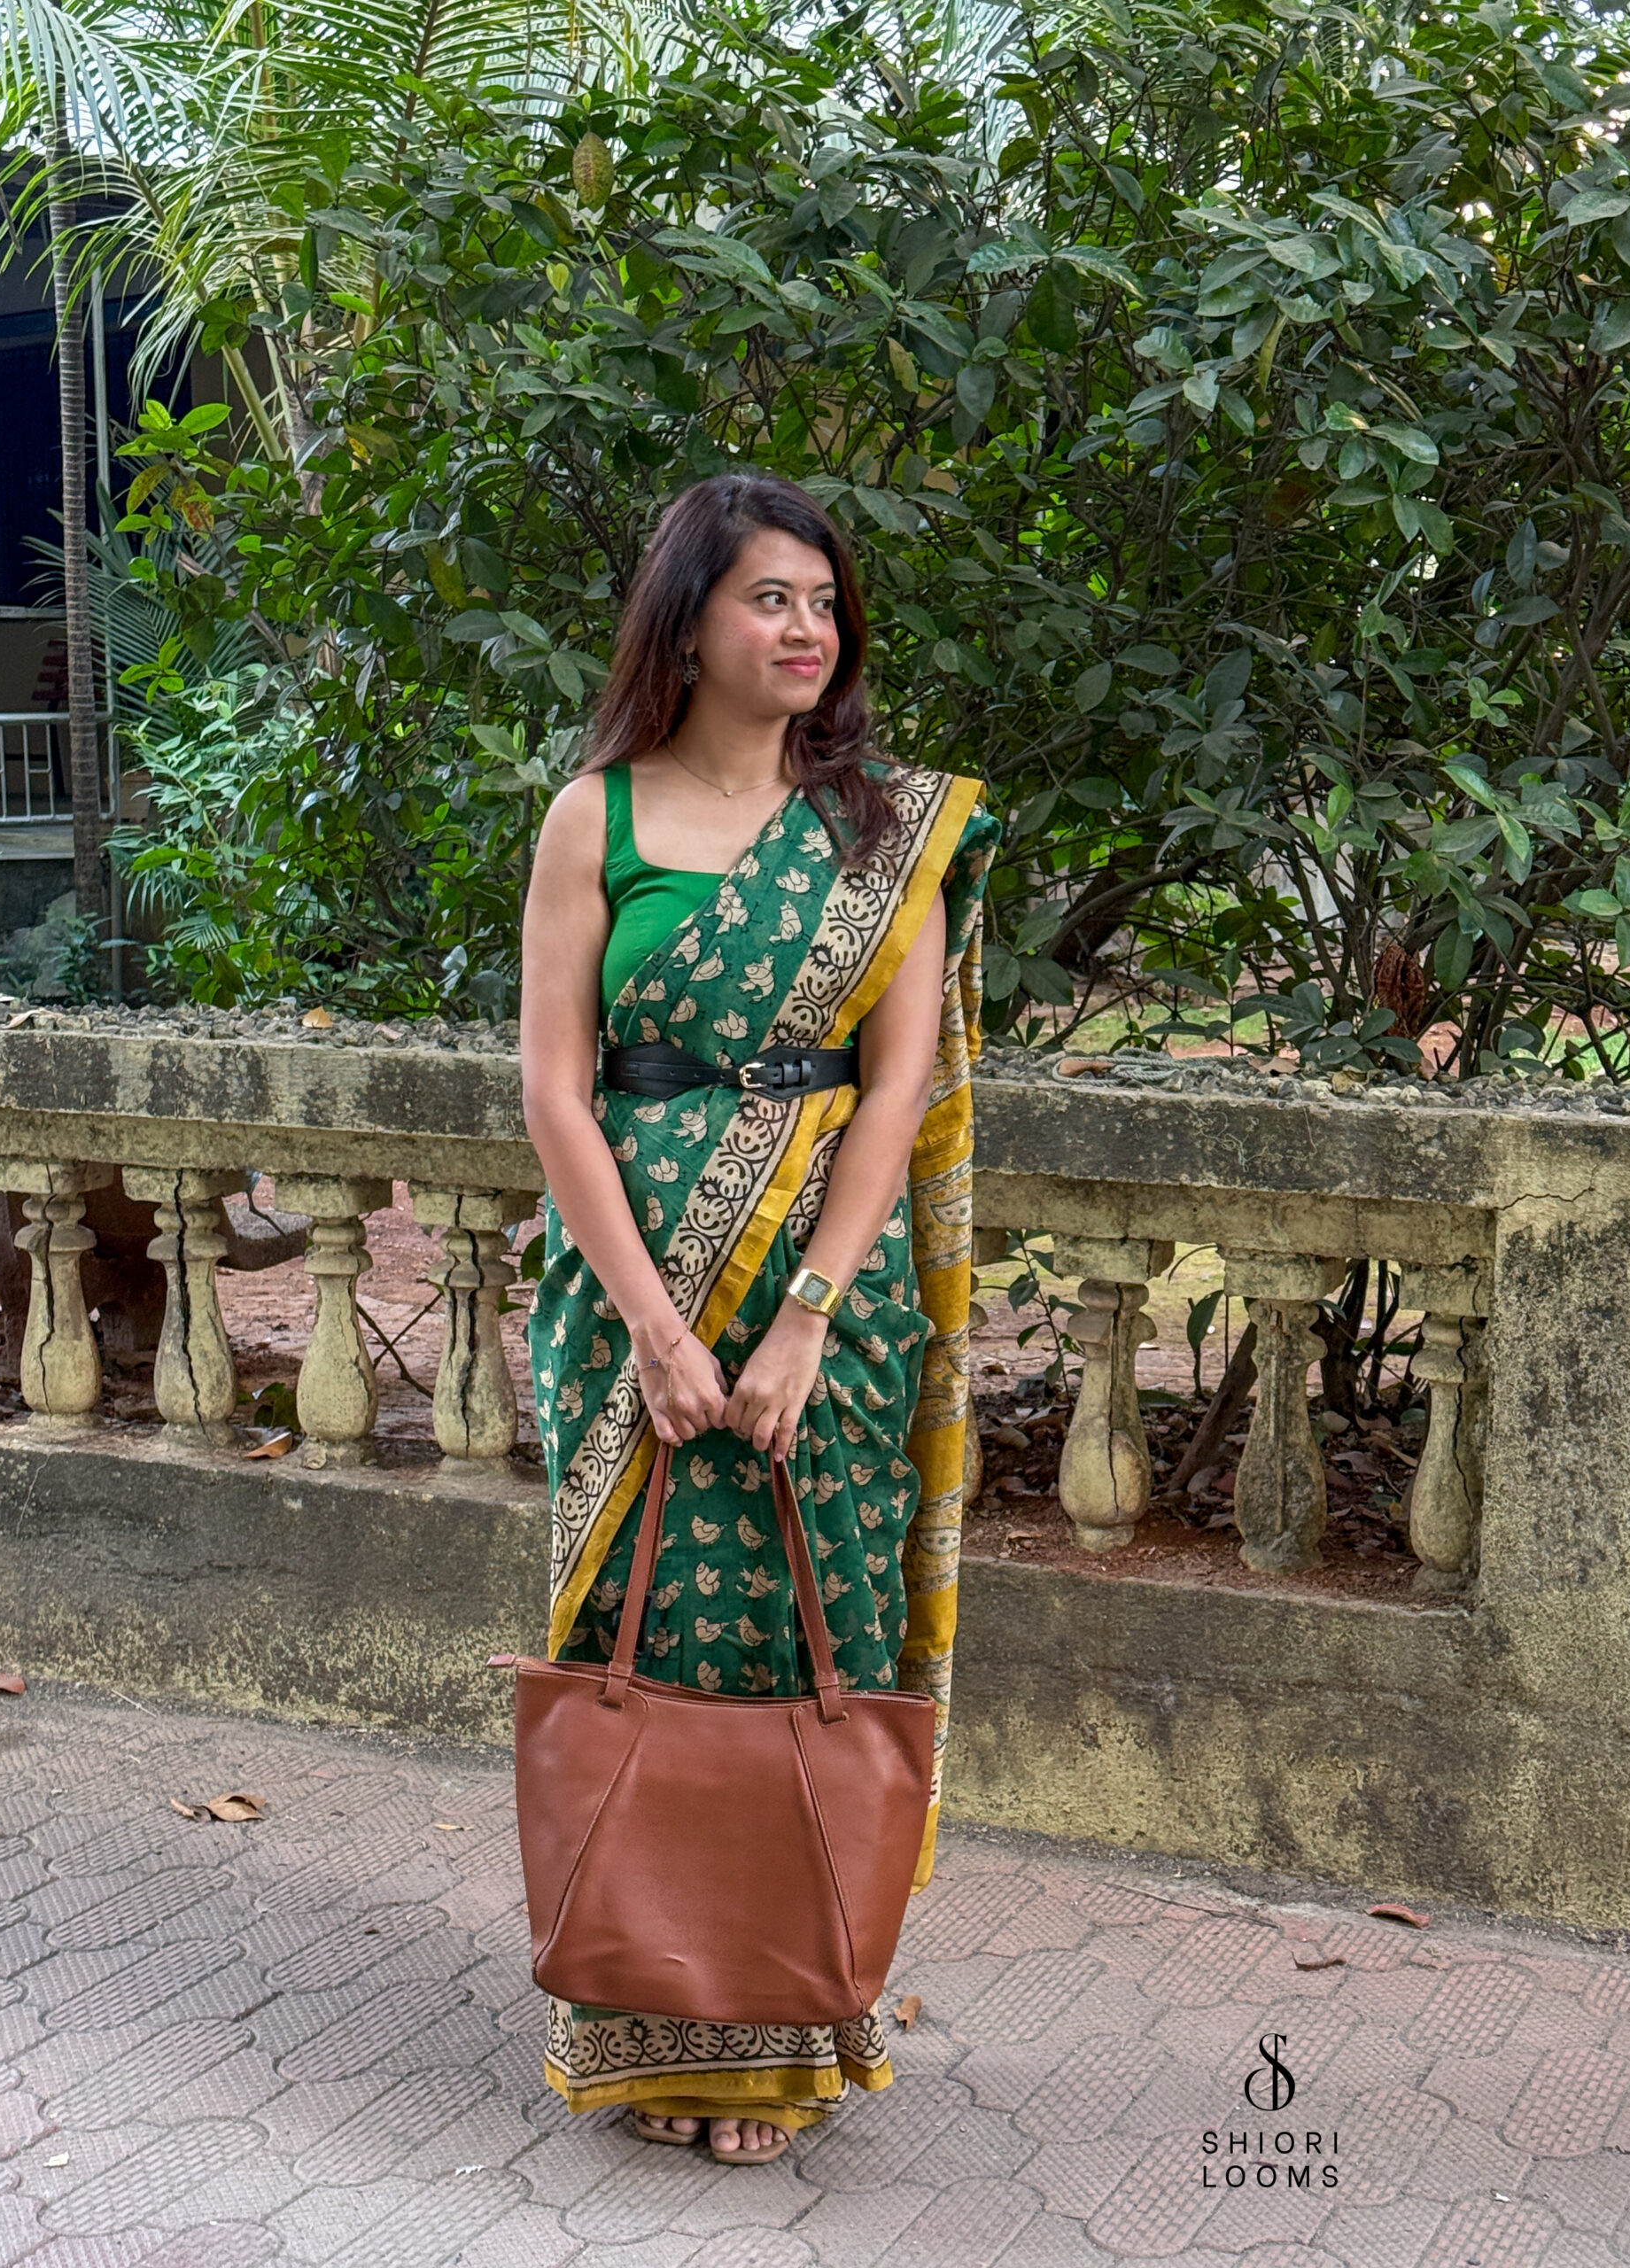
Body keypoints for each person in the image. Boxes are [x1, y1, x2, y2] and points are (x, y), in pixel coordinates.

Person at [518, 470, 1000, 2167]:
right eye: (769, 600)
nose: (807, 630)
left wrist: (798, 1314)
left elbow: (899, 1089)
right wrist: (656, 1322)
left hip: (826, 1309)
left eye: (822, 603)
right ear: (691, 619)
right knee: (635, 1650)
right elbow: (556, 1093)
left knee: (812, 1645)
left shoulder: (888, 835)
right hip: (623, 1292)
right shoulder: (600, 818)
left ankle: (788, 2044)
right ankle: (637, 2029)